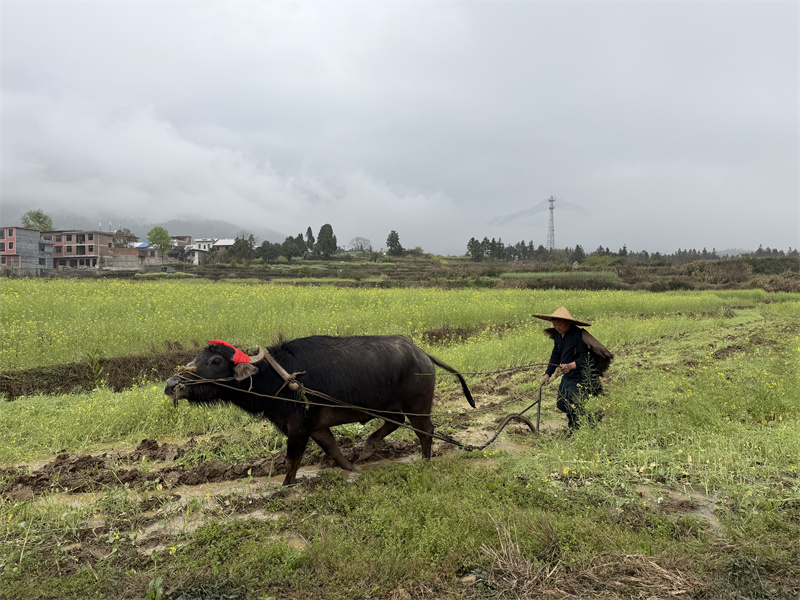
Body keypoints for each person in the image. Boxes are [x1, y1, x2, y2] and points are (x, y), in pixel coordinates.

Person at [533, 306, 613, 433]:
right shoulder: (559, 337)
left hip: (581, 377)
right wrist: (548, 374)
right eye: (554, 324)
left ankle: (575, 429)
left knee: (574, 402)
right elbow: (555, 355)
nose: (557, 327)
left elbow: (586, 358)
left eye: (559, 324)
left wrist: (570, 365)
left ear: (568, 322)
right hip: (568, 376)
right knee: (561, 403)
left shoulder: (578, 336)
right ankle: (591, 418)